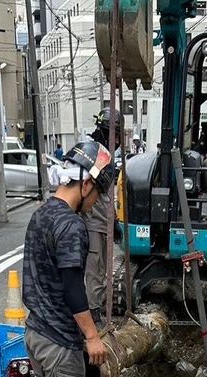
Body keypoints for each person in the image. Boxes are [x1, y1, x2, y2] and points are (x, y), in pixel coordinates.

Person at [22, 139, 114, 377]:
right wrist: (91, 336)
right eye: (99, 193)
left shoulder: (42, 214)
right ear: (87, 183)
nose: (96, 202)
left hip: (36, 332)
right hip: (59, 338)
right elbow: (74, 287)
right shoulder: (72, 225)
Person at [85, 107, 121, 321]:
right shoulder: (92, 152)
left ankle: (96, 308)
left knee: (102, 269)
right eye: (115, 136)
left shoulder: (106, 154)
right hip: (92, 221)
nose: (117, 141)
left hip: (103, 221)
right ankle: (92, 314)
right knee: (95, 269)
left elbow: (108, 195)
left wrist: (113, 220)